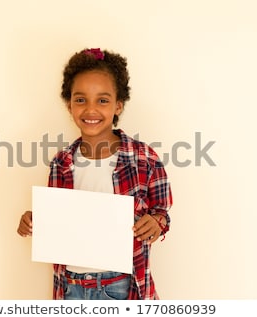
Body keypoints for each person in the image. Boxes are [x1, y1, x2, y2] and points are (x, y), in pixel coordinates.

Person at [17, 48, 172, 300]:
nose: (91, 110)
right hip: (70, 286)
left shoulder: (144, 159)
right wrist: (36, 220)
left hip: (121, 285)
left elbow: (162, 213)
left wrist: (156, 223)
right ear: (69, 105)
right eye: (81, 100)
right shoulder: (61, 162)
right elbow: (61, 217)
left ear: (118, 105)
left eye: (102, 100)